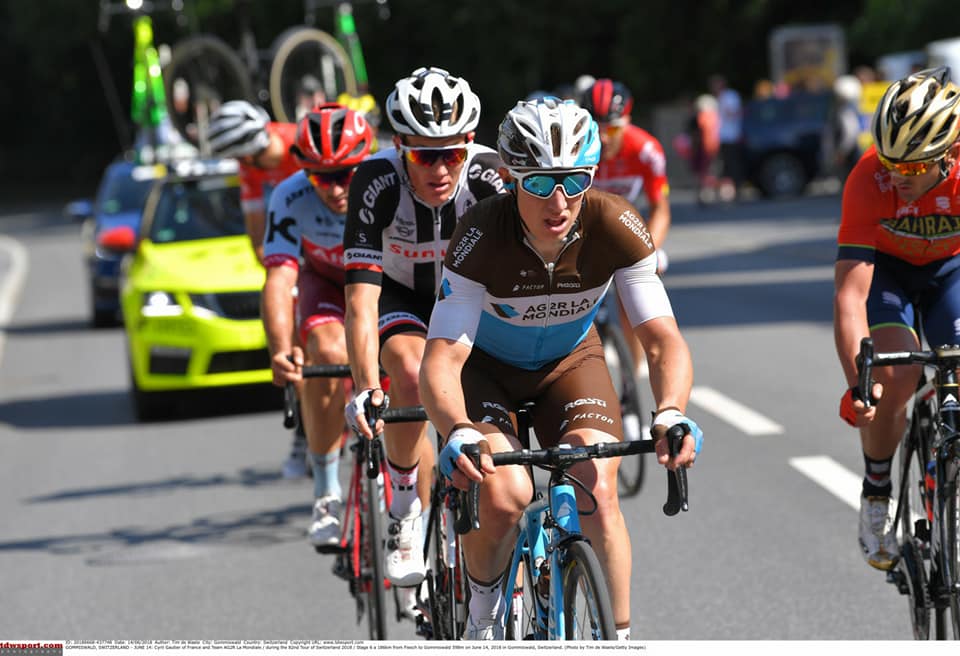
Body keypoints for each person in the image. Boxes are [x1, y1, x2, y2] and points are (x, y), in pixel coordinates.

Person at [419, 97, 703, 640]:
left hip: (570, 364)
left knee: (597, 488)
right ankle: (482, 614)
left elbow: (662, 340)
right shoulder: (480, 233)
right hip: (487, 371)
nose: (559, 200)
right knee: (506, 496)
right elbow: (444, 356)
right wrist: (456, 427)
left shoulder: (616, 222)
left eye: (574, 181)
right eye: (539, 183)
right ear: (509, 179)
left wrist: (670, 412)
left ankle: (616, 637)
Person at [342, 67, 506, 588]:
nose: (440, 169)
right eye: (423, 155)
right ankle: (405, 508)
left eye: (452, 153)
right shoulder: (375, 181)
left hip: (468, 295)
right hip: (402, 298)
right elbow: (360, 302)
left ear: (470, 145)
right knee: (411, 374)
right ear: (400, 147)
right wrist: (368, 386)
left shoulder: (488, 178)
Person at [834, 67, 960, 571]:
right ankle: (877, 490)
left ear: (946, 155)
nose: (896, 178)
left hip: (951, 270)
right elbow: (849, 296)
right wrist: (856, 384)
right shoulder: (868, 178)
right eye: (890, 163)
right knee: (895, 377)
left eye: (910, 170)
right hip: (887, 274)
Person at [261, 103, 374, 549]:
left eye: (346, 174)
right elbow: (278, 279)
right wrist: (280, 348)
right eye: (320, 177)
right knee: (325, 354)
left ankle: (412, 511)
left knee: (407, 369)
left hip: (387, 285)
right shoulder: (289, 196)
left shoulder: (390, 185)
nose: (334, 188)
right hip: (326, 282)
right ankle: (326, 489)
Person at [208, 100, 307, 479]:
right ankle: (304, 426)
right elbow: (257, 236)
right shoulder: (248, 168)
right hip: (296, 249)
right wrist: (283, 271)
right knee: (295, 338)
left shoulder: (300, 145)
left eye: (244, 156)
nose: (245, 164)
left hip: (330, 240)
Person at [580, 79, 672, 422]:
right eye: (597, 129)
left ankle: (632, 380)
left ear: (628, 122)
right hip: (580, 232)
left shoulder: (645, 150)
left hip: (624, 230)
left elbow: (660, 208)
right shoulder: (575, 148)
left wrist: (650, 250)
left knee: (632, 295)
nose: (604, 138)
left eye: (613, 129)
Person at [708, 74, 744, 201]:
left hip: (731, 136)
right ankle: (727, 191)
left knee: (732, 165)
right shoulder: (719, 98)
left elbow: (734, 112)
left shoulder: (729, 96)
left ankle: (737, 191)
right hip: (722, 137)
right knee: (724, 166)